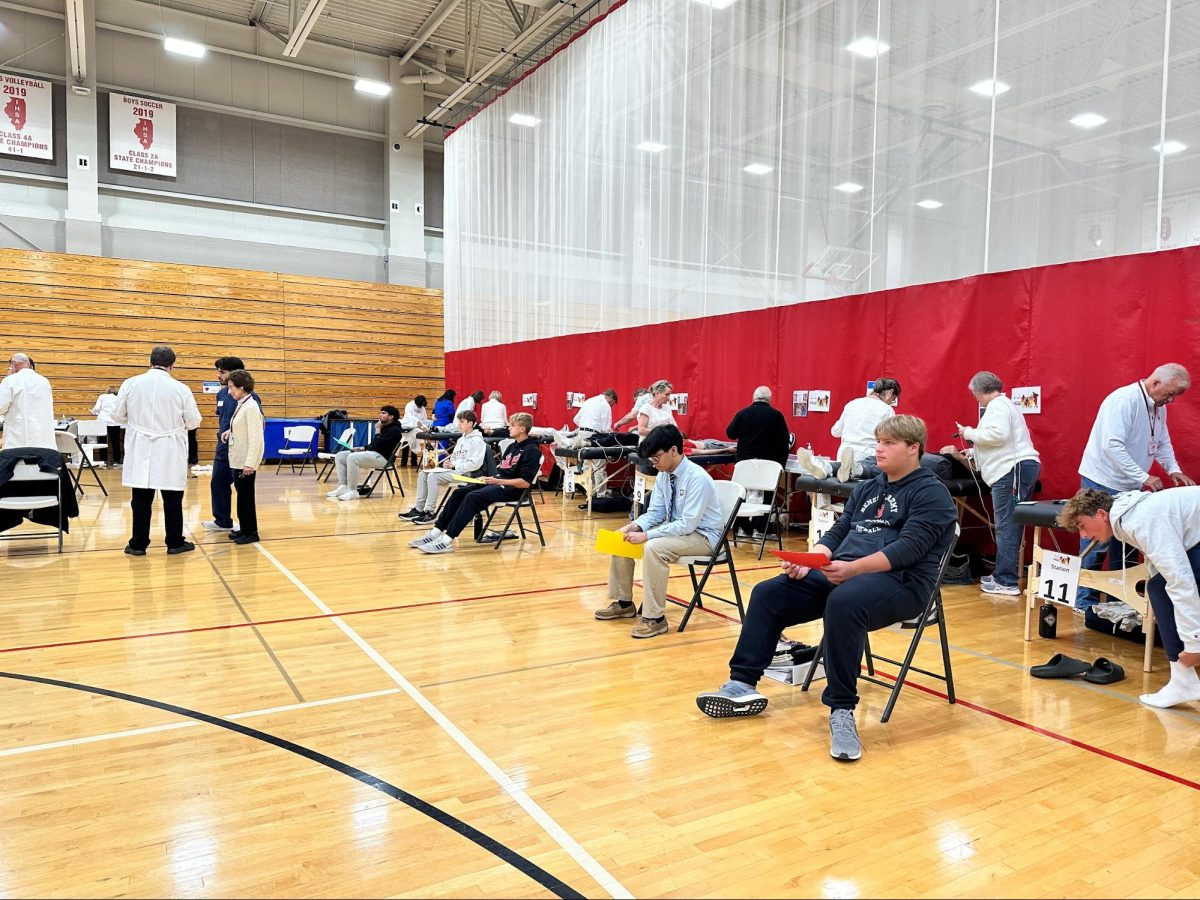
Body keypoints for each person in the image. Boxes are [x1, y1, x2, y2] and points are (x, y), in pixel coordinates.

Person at [696, 415, 956, 762]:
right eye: (878, 441)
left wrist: (851, 570)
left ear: (914, 449)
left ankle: (842, 710)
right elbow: (837, 533)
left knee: (845, 603)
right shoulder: (867, 488)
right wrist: (812, 559)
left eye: (889, 443)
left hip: (902, 583)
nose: (878, 448)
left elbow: (907, 549)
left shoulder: (931, 493)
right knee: (768, 593)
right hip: (843, 571)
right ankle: (742, 684)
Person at [1058, 487, 1200, 708]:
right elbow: (1161, 565)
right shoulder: (1128, 517)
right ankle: (1184, 681)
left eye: (1082, 526)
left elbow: (1179, 579)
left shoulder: (1141, 520)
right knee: (1158, 588)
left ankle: (1184, 681)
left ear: (1102, 515)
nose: (1083, 535)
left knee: (1165, 588)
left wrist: (1193, 643)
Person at [1075, 364, 1194, 609]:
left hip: (1130, 486)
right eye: (1169, 394)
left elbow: (1162, 443)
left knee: (1127, 547)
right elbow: (1112, 446)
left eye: (1175, 396)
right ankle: (1084, 602)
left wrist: (1173, 469)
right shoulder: (1122, 400)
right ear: (1156, 383)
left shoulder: (1158, 407)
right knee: (1096, 544)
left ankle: (1121, 602)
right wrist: (1144, 476)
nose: (1171, 400)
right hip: (1102, 481)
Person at [593, 424, 726, 639]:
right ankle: (624, 602)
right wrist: (634, 526)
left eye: (656, 458)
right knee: (622, 539)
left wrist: (647, 535)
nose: (653, 463)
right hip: (679, 530)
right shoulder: (665, 474)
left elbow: (687, 525)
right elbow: (655, 513)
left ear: (673, 450)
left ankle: (655, 618)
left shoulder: (697, 478)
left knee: (654, 548)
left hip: (704, 537)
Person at [942, 371, 1041, 596]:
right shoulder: (1004, 406)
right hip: (1016, 469)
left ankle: (1006, 581)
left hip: (1010, 471)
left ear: (979, 390)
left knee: (1006, 525)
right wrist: (968, 451)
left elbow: (997, 435)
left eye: (974, 394)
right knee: (1011, 524)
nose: (974, 398)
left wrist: (967, 432)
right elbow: (998, 440)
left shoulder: (997, 405)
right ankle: (1004, 575)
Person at [113, 346, 203, 556]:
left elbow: (117, 415)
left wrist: (136, 422)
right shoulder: (180, 388)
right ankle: (174, 542)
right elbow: (193, 421)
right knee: (172, 499)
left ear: (150, 361)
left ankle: (138, 543)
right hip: (170, 448)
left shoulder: (131, 384)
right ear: (172, 365)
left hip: (140, 447)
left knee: (141, 499)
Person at [411, 413, 543, 555]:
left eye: (512, 425)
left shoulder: (532, 451)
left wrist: (498, 481)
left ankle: (447, 540)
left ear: (522, 429)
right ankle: (435, 532)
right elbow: (505, 470)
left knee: (472, 497)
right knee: (459, 493)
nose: (508, 428)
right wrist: (489, 478)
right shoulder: (512, 447)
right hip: (499, 483)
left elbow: (525, 483)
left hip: (513, 490)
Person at [793, 378, 900, 483]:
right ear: (890, 393)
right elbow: (890, 437)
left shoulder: (852, 403)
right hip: (868, 455)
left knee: (839, 472)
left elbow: (835, 431)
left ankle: (824, 467)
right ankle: (852, 468)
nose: (891, 402)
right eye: (893, 399)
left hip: (845, 452)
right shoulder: (887, 410)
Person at [202, 357, 263, 533]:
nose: (218, 375)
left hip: (239, 450)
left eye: (222, 371)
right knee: (218, 483)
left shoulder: (251, 400)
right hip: (223, 449)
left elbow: (257, 426)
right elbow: (224, 419)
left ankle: (247, 528)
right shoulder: (222, 394)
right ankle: (222, 520)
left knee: (243, 491)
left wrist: (251, 458)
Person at [399, 410, 487, 524]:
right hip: (457, 471)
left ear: (470, 423)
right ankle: (418, 509)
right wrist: (448, 463)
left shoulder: (477, 441)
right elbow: (455, 458)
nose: (459, 424)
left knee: (433, 477)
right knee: (423, 473)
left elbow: (475, 464)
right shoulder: (461, 439)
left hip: (469, 475)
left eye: (462, 422)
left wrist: (454, 465)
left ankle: (430, 512)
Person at [326, 405, 404, 501]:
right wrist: (361, 448)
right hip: (375, 454)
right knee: (340, 456)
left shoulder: (395, 430)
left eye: (383, 413)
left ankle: (353, 491)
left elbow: (379, 446)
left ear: (391, 417)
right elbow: (373, 445)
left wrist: (377, 430)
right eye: (381, 412)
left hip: (384, 459)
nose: (380, 415)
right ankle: (343, 486)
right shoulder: (385, 427)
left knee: (352, 457)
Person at [222, 370, 265, 545]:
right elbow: (242, 428)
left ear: (242, 387)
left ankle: (251, 532)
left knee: (246, 498)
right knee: (241, 497)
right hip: (237, 458)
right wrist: (229, 432)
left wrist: (250, 463)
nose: (229, 391)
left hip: (245, 462)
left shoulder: (252, 406)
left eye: (232, 387)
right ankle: (245, 529)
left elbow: (256, 437)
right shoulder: (242, 403)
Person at [0, 352, 56, 450]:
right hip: (44, 443)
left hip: (17, 443)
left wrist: (7, 378)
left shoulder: (11, 380)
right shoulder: (44, 381)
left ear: (13, 363)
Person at [92, 386, 123, 467]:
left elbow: (96, 408)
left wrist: (94, 412)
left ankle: (104, 460)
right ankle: (117, 460)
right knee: (115, 441)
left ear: (107, 391)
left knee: (102, 441)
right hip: (114, 422)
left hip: (102, 422)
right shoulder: (117, 398)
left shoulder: (102, 397)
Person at [400, 394, 429, 467]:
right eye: (419, 406)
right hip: (408, 424)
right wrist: (418, 422)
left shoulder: (423, 408)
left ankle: (414, 462)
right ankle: (403, 462)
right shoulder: (409, 405)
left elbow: (424, 418)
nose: (420, 407)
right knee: (406, 443)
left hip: (417, 428)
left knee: (415, 443)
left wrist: (425, 424)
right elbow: (409, 416)